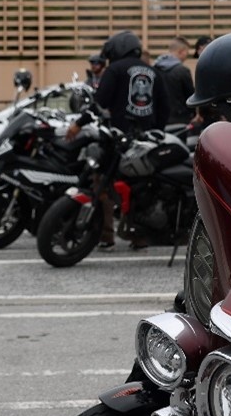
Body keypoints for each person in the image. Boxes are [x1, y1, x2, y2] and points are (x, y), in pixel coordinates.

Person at [65, 30, 169, 251]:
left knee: (101, 184)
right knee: (140, 189)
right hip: (145, 141)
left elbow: (99, 103)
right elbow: (165, 108)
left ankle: (106, 236)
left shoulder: (115, 70)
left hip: (117, 138)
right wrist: (155, 132)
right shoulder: (154, 72)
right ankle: (138, 236)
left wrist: (78, 124)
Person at [154, 36, 195, 124]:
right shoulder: (182, 71)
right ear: (181, 51)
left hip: (158, 117)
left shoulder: (155, 69)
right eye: (186, 52)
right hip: (180, 119)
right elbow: (190, 97)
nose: (186, 56)